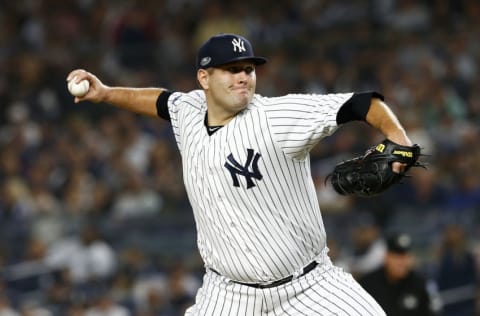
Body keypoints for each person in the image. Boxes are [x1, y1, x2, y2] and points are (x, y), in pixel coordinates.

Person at [67, 33, 417, 315]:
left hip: (309, 287)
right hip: (228, 294)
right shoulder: (190, 111)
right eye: (230, 69)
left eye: (248, 69)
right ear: (204, 78)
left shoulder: (276, 117)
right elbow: (161, 101)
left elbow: (361, 103)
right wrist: (108, 93)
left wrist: (398, 137)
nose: (242, 77)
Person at [359, 232, 436, 316]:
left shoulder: (419, 284)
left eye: (405, 256)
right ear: (386, 257)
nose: (401, 262)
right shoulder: (368, 284)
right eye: (397, 257)